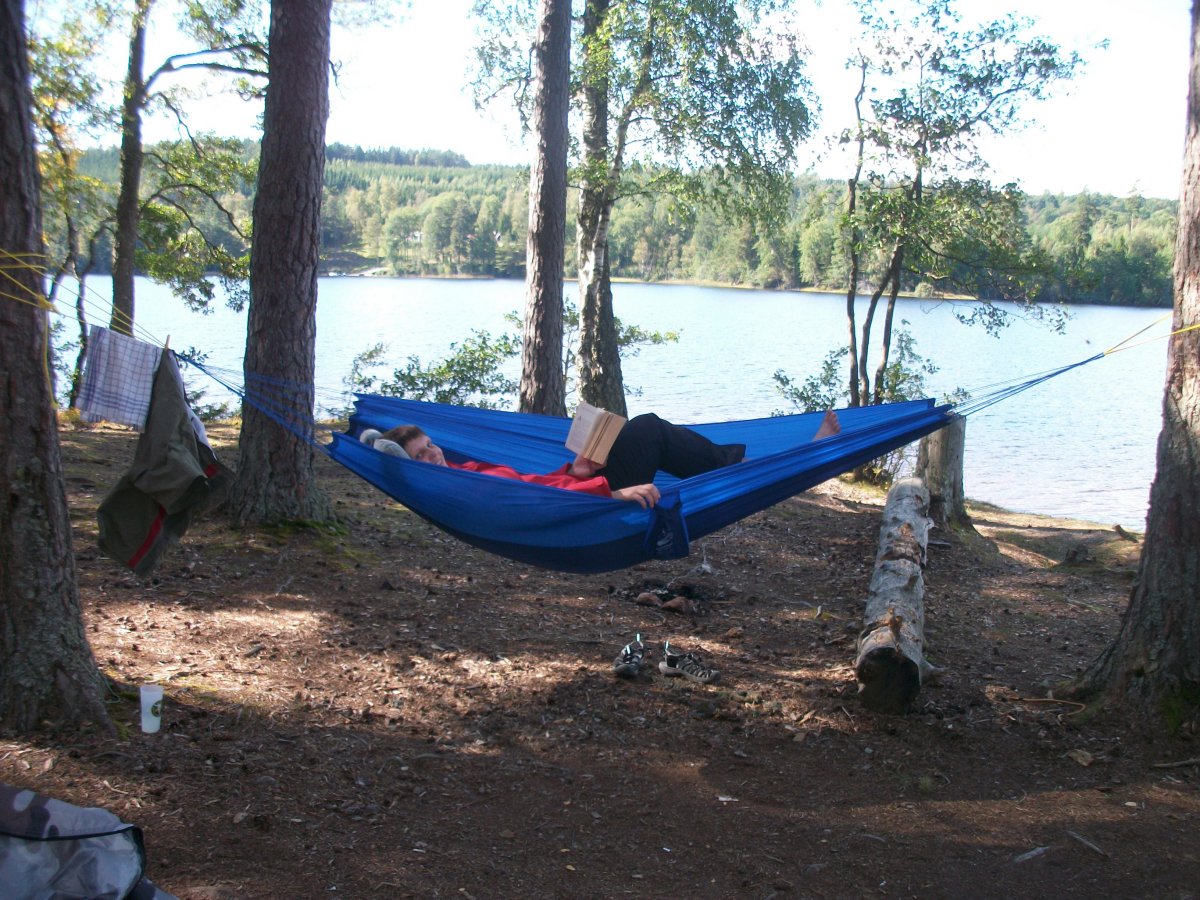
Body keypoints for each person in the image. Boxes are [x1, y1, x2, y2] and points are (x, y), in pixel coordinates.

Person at [377, 408, 842, 509]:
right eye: (422, 454)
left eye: (431, 444)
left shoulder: (460, 470)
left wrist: (574, 470)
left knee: (641, 429)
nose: (434, 452)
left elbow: (537, 484)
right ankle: (749, 467)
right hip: (590, 504)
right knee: (648, 429)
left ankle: (739, 467)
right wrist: (611, 493)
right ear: (409, 464)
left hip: (581, 488)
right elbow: (536, 502)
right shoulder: (462, 485)